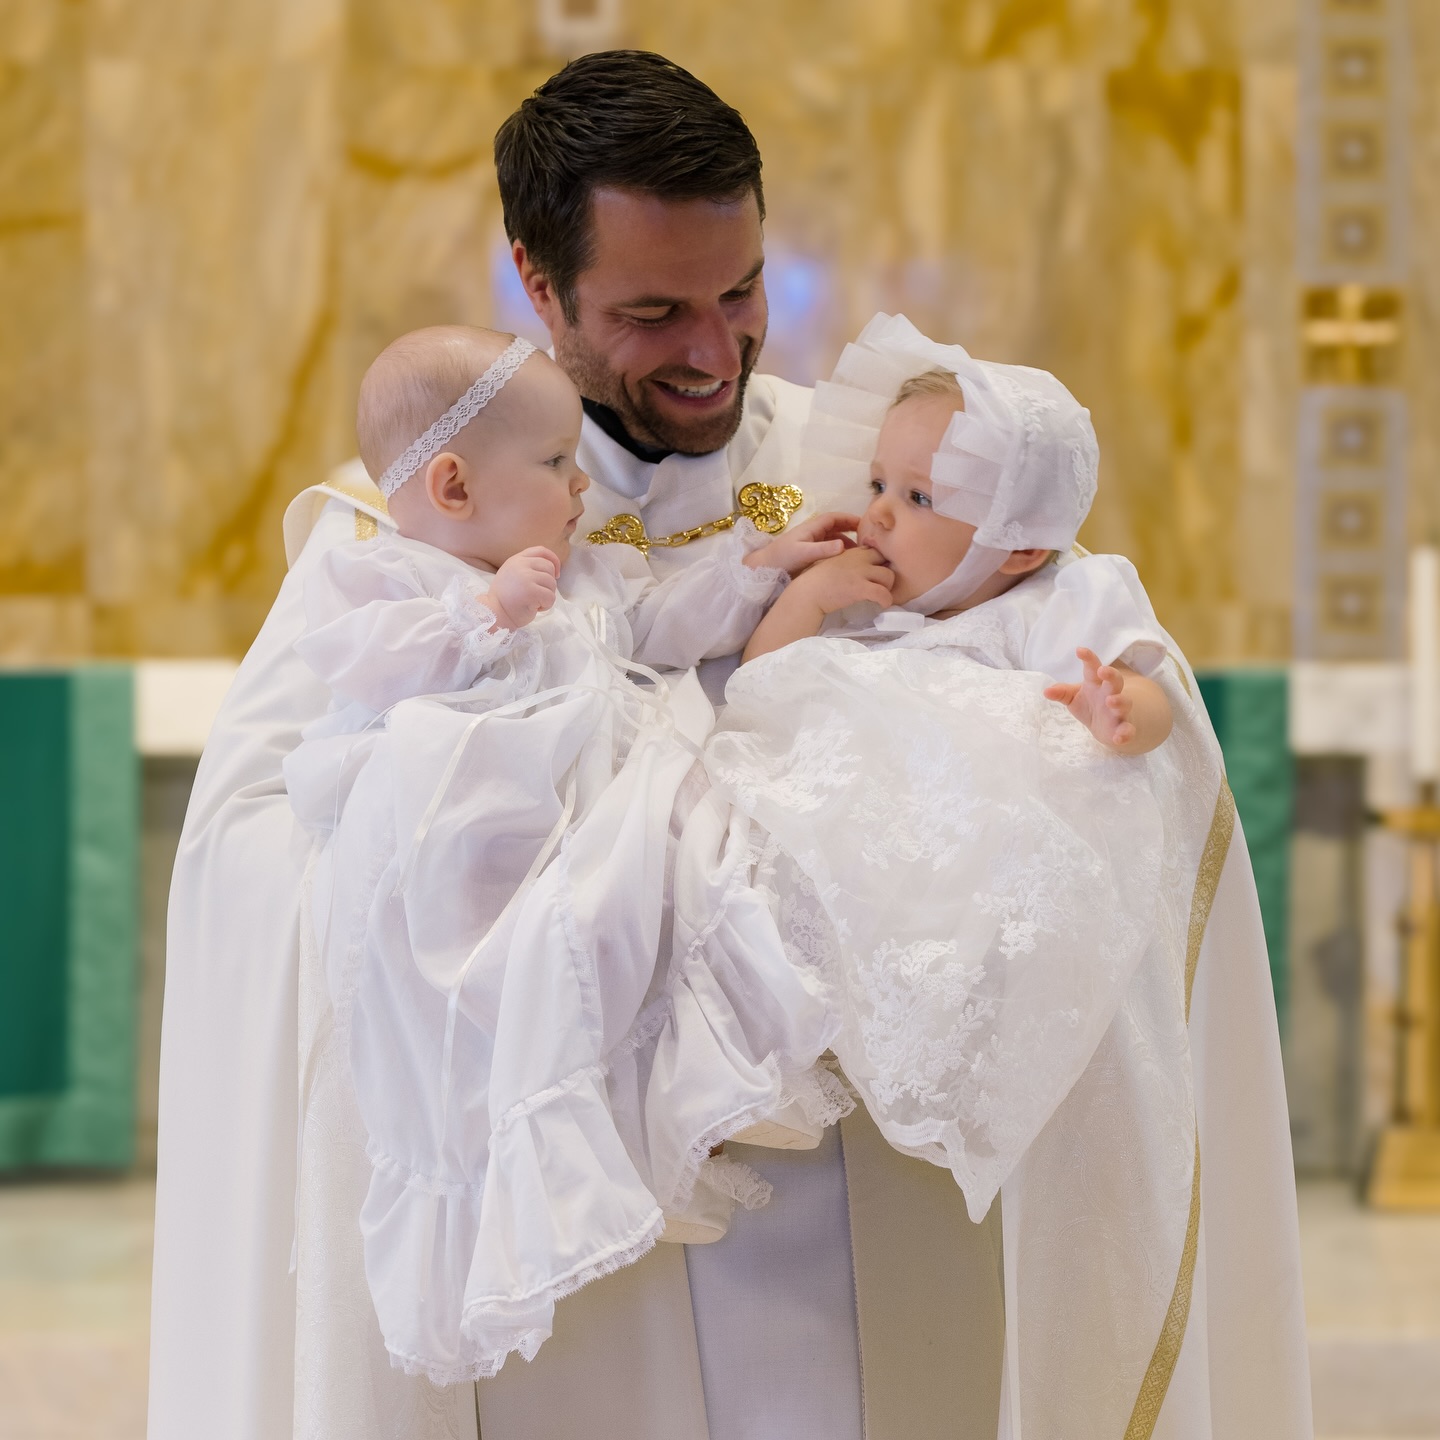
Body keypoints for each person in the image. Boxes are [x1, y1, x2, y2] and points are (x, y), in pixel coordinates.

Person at [698, 312, 1314, 1439]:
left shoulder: (1061, 602)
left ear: (1018, 543)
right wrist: (812, 599)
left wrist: (1120, 714)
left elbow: (1144, 694)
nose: (880, 511)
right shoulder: (879, 607)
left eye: (922, 500)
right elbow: (762, 693)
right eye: (881, 479)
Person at [284, 321, 848, 1389]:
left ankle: (693, 1101)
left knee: (680, 874)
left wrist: (754, 567)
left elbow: (657, 629)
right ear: (451, 485)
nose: (580, 486)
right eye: (553, 465)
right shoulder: (382, 574)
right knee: (557, 939)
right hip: (467, 815)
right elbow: (362, 668)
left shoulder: (572, 574)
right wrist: (486, 616)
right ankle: (584, 1147)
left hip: (589, 797)